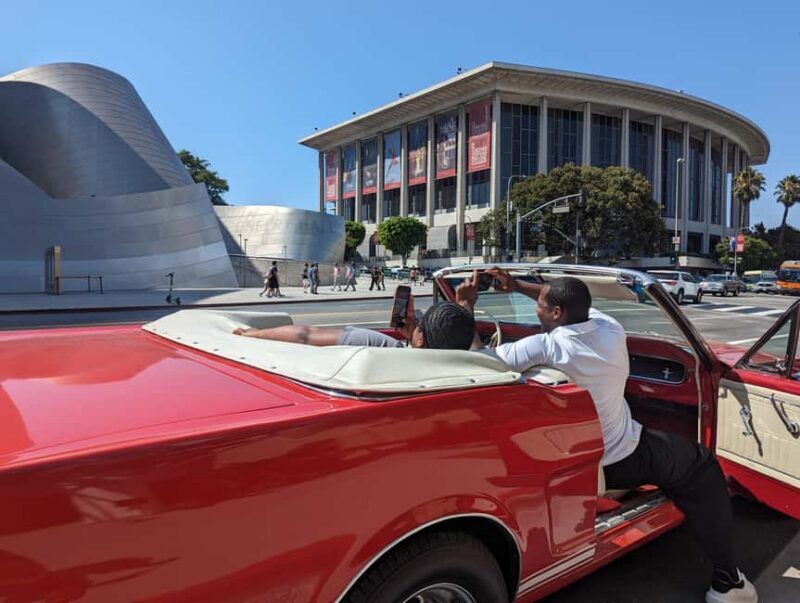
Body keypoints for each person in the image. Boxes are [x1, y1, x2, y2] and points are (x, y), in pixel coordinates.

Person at [455, 268, 757, 603]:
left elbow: (475, 362)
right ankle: (728, 581)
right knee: (700, 466)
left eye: (540, 307)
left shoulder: (545, 347)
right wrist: (519, 286)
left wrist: (466, 308)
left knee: (690, 465)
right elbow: (569, 304)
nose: (535, 311)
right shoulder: (610, 329)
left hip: (568, 460)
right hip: (621, 455)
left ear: (557, 314)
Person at [234, 295, 474, 351]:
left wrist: (253, 334)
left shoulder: (379, 346)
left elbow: (305, 335)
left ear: (420, 339)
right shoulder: (473, 373)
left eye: (420, 324)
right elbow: (475, 347)